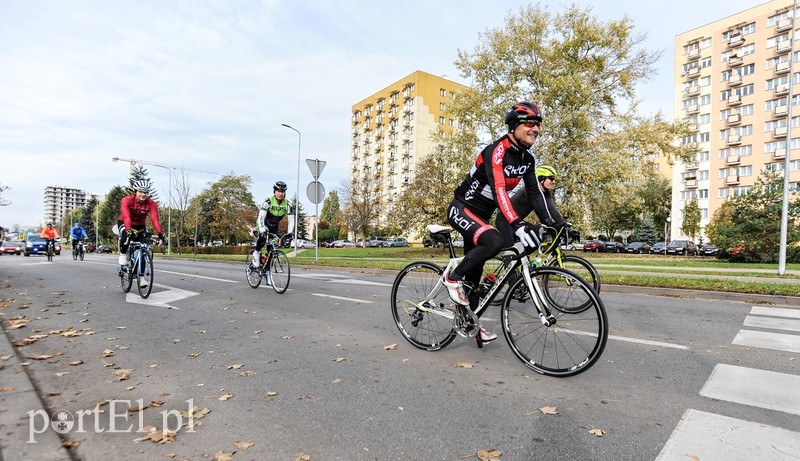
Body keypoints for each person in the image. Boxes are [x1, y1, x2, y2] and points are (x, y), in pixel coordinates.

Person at [444, 102, 558, 343]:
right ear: (515, 125)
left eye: (538, 124)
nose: (535, 128)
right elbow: (499, 191)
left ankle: (471, 324)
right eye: (530, 123)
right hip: (462, 208)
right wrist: (517, 223)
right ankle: (451, 278)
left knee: (473, 281)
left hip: (480, 218)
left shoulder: (527, 158)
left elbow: (535, 194)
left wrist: (552, 223)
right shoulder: (496, 151)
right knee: (494, 241)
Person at [496, 165, 575, 245]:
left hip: (517, 222)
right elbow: (541, 211)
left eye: (554, 179)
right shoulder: (530, 192)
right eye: (551, 179)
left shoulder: (545, 193)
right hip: (504, 221)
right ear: (541, 179)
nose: (554, 182)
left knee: (536, 236)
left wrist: (564, 227)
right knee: (513, 249)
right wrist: (553, 226)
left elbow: (552, 210)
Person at [117, 180, 164, 270]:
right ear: (135, 192)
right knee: (125, 234)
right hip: (125, 221)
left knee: (143, 247)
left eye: (146, 192)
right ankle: (123, 254)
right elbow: (127, 217)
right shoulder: (127, 200)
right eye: (141, 191)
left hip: (140, 225)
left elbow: (154, 219)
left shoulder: (152, 204)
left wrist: (160, 233)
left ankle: (141, 277)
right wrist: (128, 229)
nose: (143, 194)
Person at [252, 181, 293, 267]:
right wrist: (262, 229)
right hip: (263, 223)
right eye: (278, 191)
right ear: (274, 192)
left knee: (272, 248)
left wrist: (289, 233)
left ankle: (267, 271)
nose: (280, 194)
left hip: (274, 226)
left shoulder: (288, 205)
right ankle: (256, 252)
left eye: (282, 191)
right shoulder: (268, 202)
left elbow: (291, 221)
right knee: (263, 238)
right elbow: (261, 217)